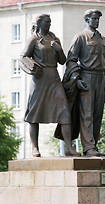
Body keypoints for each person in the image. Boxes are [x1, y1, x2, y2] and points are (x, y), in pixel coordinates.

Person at [20, 14, 80, 157]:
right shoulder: (34, 39)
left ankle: (69, 148)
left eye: (50, 22)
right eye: (47, 22)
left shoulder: (54, 39)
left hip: (54, 78)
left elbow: (62, 61)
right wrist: (31, 66)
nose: (49, 24)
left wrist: (59, 49)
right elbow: (23, 56)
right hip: (39, 80)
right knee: (34, 114)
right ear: (39, 24)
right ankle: (35, 148)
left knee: (65, 111)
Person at [56, 9, 105, 157]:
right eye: (94, 19)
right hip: (86, 77)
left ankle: (93, 145)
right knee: (86, 114)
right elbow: (71, 61)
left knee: (97, 115)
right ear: (87, 20)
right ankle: (88, 148)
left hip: (100, 79)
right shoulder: (80, 37)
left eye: (98, 19)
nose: (96, 21)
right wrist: (77, 79)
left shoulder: (103, 40)